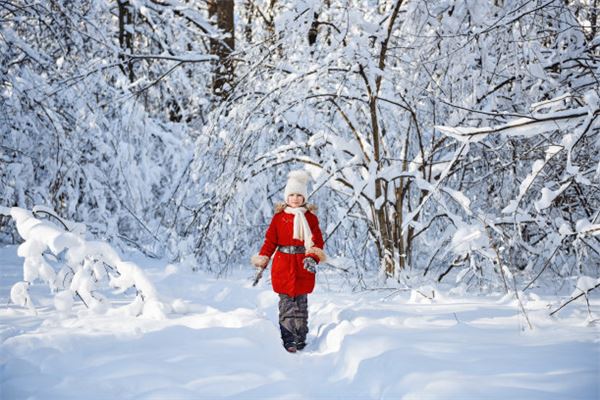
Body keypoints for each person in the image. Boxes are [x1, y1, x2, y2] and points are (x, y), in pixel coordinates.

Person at [251, 170, 326, 353]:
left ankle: (300, 337)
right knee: (286, 305)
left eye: (299, 195)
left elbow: (317, 242)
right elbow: (270, 242)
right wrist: (263, 260)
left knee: (300, 304)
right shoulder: (279, 218)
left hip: (303, 264)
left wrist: (312, 257)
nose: (295, 198)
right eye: (291, 195)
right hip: (283, 265)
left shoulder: (310, 218)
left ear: (304, 198)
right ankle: (288, 339)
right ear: (286, 197)